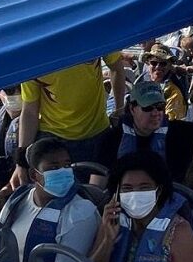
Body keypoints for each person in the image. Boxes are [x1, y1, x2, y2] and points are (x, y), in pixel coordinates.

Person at [11, 54, 127, 188]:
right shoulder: (32, 57)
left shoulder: (91, 34)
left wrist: (119, 110)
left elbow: (117, 68)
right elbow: (30, 111)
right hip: (54, 140)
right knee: (56, 196)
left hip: (98, 134)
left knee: (98, 195)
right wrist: (21, 163)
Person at [0, 138, 99, 262]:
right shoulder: (19, 199)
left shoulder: (81, 212)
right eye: (53, 168)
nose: (63, 172)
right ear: (34, 175)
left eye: (67, 166)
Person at [96, 81, 193, 182]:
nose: (156, 113)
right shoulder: (112, 139)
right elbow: (97, 184)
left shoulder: (177, 130)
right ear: (132, 109)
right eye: (148, 108)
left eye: (160, 106)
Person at [138, 43, 188, 121]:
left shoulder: (173, 92)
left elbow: (171, 122)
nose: (158, 67)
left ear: (169, 66)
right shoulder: (141, 84)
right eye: (154, 63)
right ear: (148, 63)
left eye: (163, 64)